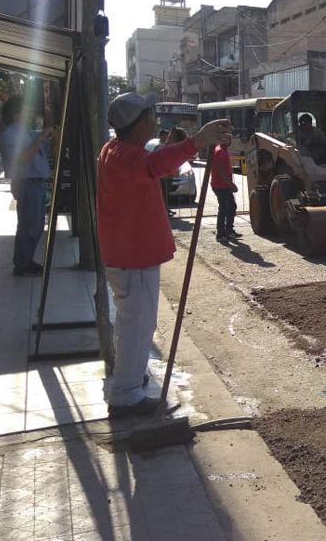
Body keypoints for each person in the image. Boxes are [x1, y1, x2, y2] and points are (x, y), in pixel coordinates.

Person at [98, 91, 230, 418]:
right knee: (137, 326)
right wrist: (196, 141)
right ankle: (125, 395)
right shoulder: (125, 156)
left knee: (132, 323)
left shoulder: (118, 150)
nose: (154, 120)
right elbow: (154, 165)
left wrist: (189, 145)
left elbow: (158, 165)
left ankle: (128, 376)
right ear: (138, 123)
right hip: (134, 256)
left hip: (130, 254)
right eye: (150, 115)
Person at [0, 96, 54, 276]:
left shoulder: (25, 131)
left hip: (34, 183)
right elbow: (23, 157)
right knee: (29, 225)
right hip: (27, 183)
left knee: (35, 225)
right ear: (16, 113)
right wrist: (41, 137)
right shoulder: (11, 135)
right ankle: (22, 263)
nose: (30, 112)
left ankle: (26, 260)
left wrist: (45, 137)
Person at [210, 143, 241, 242]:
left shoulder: (224, 150)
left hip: (224, 185)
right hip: (220, 185)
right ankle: (220, 234)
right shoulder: (219, 151)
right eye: (226, 138)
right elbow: (220, 170)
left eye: (229, 139)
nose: (228, 141)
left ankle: (229, 230)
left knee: (231, 207)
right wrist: (230, 184)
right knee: (224, 208)